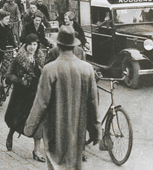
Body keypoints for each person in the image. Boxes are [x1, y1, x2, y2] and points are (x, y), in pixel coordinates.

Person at [24, 25, 100, 170]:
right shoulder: (87, 68)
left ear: (58, 45)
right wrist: (96, 131)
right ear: (74, 46)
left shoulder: (50, 69)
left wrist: (29, 127)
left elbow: (41, 102)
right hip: (78, 130)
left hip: (55, 129)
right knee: (74, 165)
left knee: (55, 164)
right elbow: (92, 103)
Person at [4, 34, 46, 162]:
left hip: (35, 93)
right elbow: (8, 76)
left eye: (35, 44)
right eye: (30, 45)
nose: (32, 47)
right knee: (17, 118)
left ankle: (37, 150)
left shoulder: (40, 58)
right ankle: (10, 134)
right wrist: (20, 80)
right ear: (26, 45)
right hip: (21, 94)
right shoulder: (19, 59)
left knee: (37, 120)